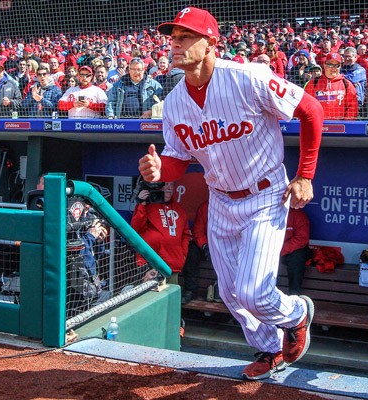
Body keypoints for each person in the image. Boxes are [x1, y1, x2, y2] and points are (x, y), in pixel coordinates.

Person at [140, 7, 323, 381]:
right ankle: (270, 349)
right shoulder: (174, 102)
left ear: (210, 43)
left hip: (265, 194)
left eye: (185, 37)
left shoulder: (246, 77)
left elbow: (311, 109)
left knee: (254, 292)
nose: (175, 44)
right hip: (220, 198)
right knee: (231, 294)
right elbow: (178, 159)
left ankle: (298, 315)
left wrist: (305, 175)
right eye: (173, 37)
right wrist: (161, 172)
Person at [130, 182, 191, 285]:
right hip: (150, 263)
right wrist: (141, 203)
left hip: (172, 262)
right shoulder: (148, 205)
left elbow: (186, 235)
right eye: (165, 184)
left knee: (170, 297)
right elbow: (136, 229)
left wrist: (183, 253)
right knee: (149, 297)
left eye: (172, 185)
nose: (169, 188)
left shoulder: (179, 209)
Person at [304, 52, 358, 120]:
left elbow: (352, 108)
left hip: (340, 127)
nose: (333, 68)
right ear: (324, 65)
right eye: (330, 65)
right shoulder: (313, 83)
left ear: (340, 66)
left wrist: (346, 124)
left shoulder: (346, 84)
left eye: (337, 65)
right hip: (318, 125)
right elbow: (306, 105)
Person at [181, 200, 208, 305]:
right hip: (208, 245)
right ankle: (190, 291)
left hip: (226, 246)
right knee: (192, 251)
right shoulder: (205, 207)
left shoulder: (233, 207)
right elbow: (198, 231)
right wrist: (205, 245)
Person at [281, 208, 313, 296]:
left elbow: (302, 238)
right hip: (278, 251)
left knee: (296, 257)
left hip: (294, 250)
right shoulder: (272, 214)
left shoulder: (298, 215)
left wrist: (282, 250)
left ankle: (294, 296)